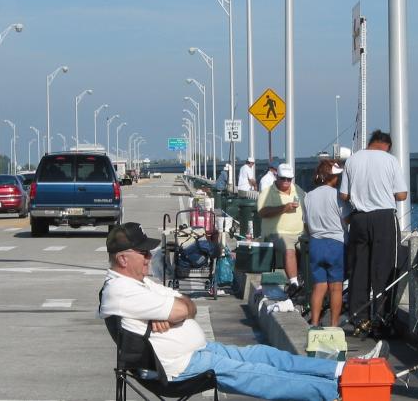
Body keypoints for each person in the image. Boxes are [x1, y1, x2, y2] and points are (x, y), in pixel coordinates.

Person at [98, 222, 386, 401]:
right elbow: (180, 306)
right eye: (144, 253)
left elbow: (188, 305)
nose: (150, 257)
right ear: (123, 258)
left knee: (264, 355)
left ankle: (342, 369)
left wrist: (176, 314)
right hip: (178, 369)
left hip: (196, 355)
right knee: (258, 373)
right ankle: (340, 392)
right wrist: (175, 311)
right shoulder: (122, 291)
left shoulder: (141, 283)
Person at [338, 130, 408, 335]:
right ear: (386, 145)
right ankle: (381, 318)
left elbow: (343, 194)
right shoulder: (390, 160)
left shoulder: (352, 160)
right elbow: (402, 194)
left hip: (359, 219)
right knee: (384, 268)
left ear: (371, 143)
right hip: (384, 218)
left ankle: (358, 317)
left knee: (359, 269)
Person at [303, 159, 350, 327]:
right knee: (336, 288)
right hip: (335, 243)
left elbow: (306, 224)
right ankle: (334, 325)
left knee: (319, 286)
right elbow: (347, 219)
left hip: (316, 243)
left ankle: (314, 323)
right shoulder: (337, 195)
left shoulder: (309, 196)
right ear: (331, 177)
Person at [257, 163, 306, 296]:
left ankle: (308, 283)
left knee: (311, 248)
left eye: (289, 179)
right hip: (277, 233)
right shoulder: (268, 192)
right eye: (283, 178)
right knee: (288, 247)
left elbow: (307, 206)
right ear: (276, 177)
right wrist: (284, 207)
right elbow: (262, 212)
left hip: (300, 233)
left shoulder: (298, 190)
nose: (286, 182)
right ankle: (294, 283)